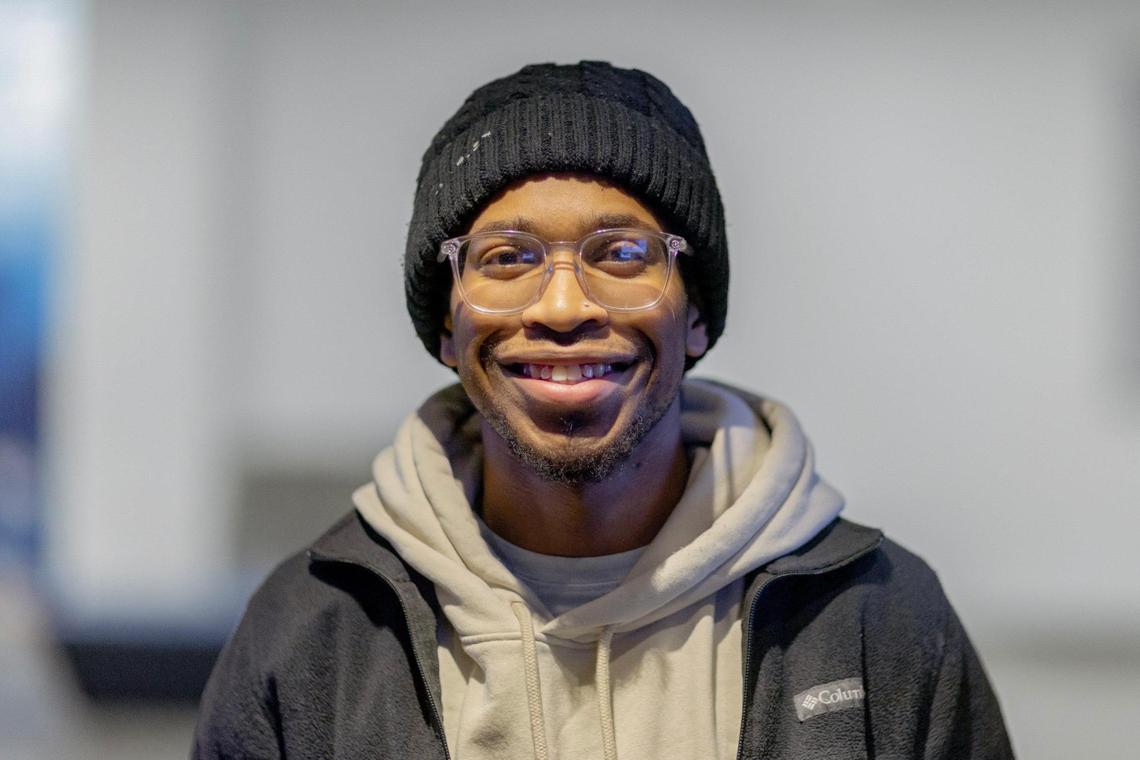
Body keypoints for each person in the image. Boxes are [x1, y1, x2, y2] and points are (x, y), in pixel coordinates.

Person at [193, 61, 1014, 760]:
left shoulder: (876, 619)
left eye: (622, 254)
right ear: (447, 324)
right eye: (506, 257)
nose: (561, 306)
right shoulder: (310, 632)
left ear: (696, 316)